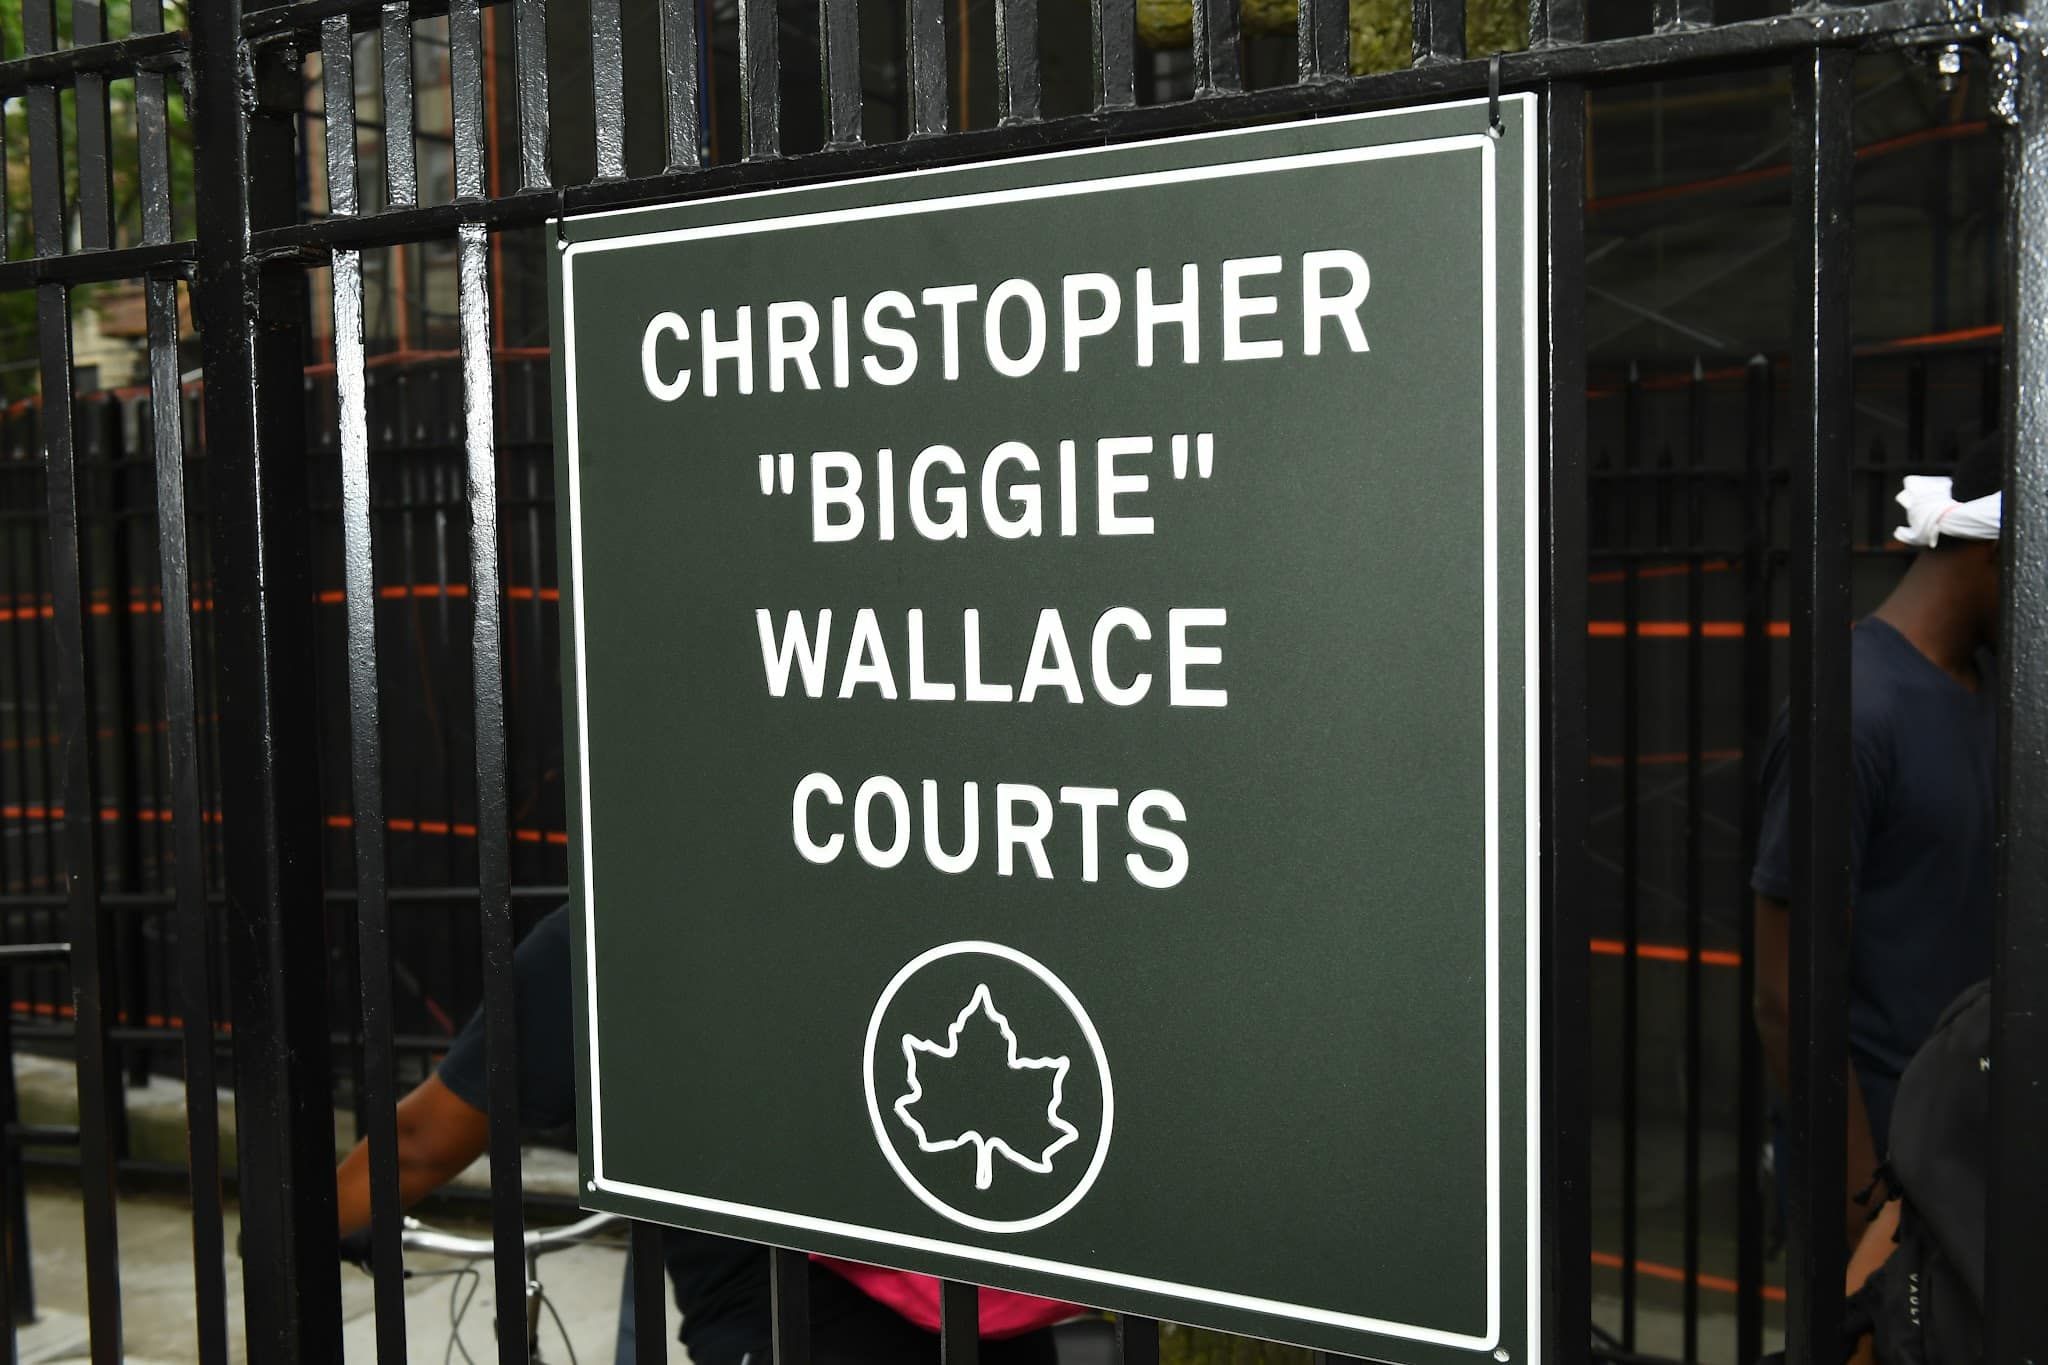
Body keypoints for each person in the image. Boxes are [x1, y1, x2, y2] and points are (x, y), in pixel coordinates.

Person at [335, 905, 1076, 1364]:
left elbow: (421, 1140)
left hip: (784, 1338)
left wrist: (299, 1225)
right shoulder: (903, 900)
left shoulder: (607, 934)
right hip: (994, 1330)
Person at [1749, 434, 2001, 1248]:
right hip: (1889, 1188)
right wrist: (1863, 1205)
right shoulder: (1854, 706)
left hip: (1973, 1164)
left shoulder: (1992, 693)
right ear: (2003, 549)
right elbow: (1787, 989)